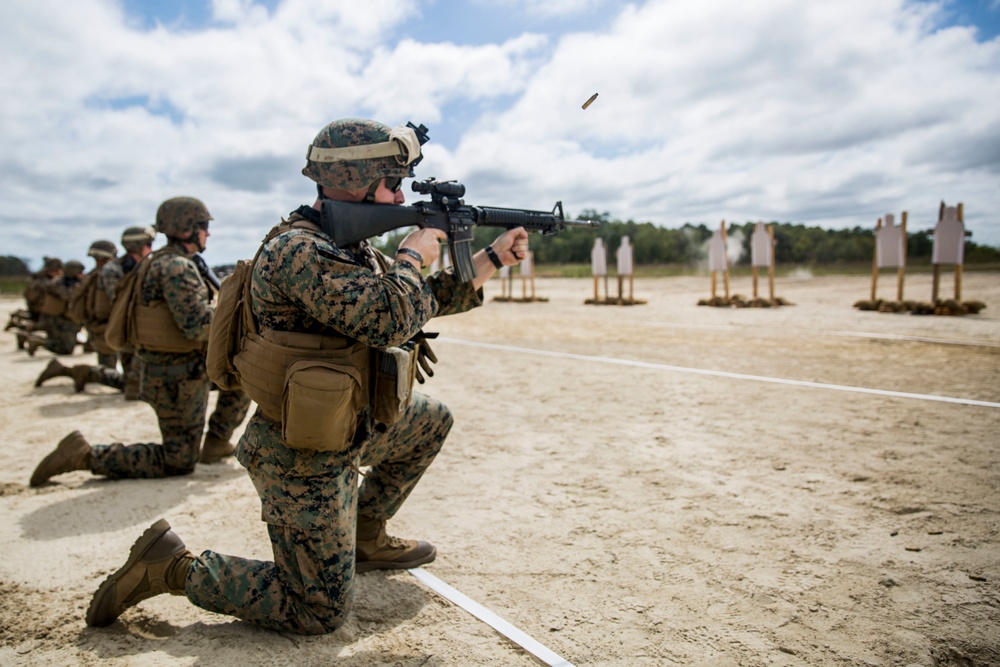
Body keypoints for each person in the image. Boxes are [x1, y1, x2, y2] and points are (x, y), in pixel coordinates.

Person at [81, 118, 529, 634]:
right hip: (301, 455)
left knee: (430, 420)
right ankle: (171, 567)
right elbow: (388, 316)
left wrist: (492, 258)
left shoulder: (350, 248)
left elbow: (425, 299)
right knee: (317, 611)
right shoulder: (298, 250)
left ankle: (364, 534)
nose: (401, 194)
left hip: (350, 423)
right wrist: (412, 254)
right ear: (356, 181)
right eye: (392, 183)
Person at [29, 197, 251, 487]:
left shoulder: (159, 261)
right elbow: (196, 326)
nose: (208, 233)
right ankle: (84, 455)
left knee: (242, 377)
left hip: (177, 369)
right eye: (204, 226)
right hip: (177, 377)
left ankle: (216, 442)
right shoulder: (176, 267)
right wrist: (232, 315)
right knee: (178, 460)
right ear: (187, 229)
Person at [34, 229, 155, 396]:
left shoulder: (105, 272)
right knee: (132, 384)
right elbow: (122, 302)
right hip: (112, 328)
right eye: (148, 244)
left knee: (132, 382)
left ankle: (72, 371)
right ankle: (74, 372)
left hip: (110, 328)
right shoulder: (112, 271)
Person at [34, 240, 121, 391]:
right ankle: (73, 372)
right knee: (129, 381)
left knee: (113, 368)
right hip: (103, 326)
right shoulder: (105, 275)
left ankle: (68, 370)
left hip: (99, 326)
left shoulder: (93, 276)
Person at [27, 259, 84, 356]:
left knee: (69, 344)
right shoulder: (57, 283)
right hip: (55, 319)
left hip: (65, 319)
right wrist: (79, 286)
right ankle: (39, 342)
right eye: (79, 272)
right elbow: (67, 296)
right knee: (65, 349)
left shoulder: (74, 282)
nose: (81, 274)